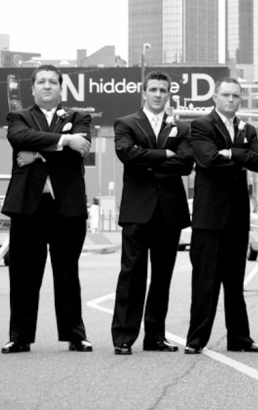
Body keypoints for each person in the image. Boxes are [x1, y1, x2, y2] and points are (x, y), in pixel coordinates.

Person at [0, 65, 93, 354]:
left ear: (60, 88)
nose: (47, 85)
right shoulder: (18, 117)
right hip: (28, 207)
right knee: (24, 276)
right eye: (41, 81)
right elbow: (19, 138)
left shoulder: (79, 117)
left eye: (53, 81)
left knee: (67, 274)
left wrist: (37, 153)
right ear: (33, 88)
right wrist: (64, 140)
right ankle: (20, 337)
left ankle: (75, 335)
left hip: (67, 207)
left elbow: (80, 150)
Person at [111, 71, 194, 355]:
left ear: (169, 94)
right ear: (144, 92)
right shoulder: (126, 123)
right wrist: (164, 155)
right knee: (131, 274)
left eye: (163, 90)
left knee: (162, 277)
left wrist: (146, 159)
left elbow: (186, 164)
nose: (158, 94)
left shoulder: (181, 128)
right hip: (137, 210)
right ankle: (123, 337)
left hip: (169, 211)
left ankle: (155, 336)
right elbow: (126, 154)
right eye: (154, 89)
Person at [184, 77, 258, 355]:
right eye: (226, 95)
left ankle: (239, 338)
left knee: (235, 281)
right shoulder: (201, 125)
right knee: (204, 281)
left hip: (237, 215)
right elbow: (208, 160)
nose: (231, 99)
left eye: (236, 96)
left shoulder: (248, 128)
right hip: (209, 216)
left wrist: (231, 152)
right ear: (215, 98)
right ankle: (196, 339)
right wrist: (242, 159)